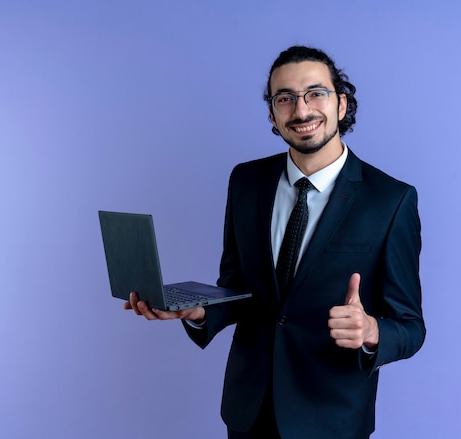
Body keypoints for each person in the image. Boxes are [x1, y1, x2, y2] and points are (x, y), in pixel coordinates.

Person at [125, 45, 426, 439]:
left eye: (316, 93)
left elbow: (411, 326)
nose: (301, 111)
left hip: (330, 417)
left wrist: (371, 331)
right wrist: (198, 311)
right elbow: (237, 285)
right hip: (247, 409)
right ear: (272, 113)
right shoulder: (246, 181)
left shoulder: (391, 200)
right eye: (285, 98)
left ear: (341, 104)